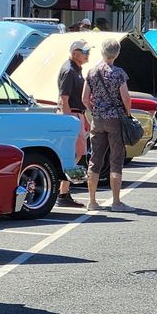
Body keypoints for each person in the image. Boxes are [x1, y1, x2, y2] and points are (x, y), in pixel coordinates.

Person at [81, 38, 135, 212]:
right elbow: (126, 97)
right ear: (117, 53)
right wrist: (127, 113)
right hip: (114, 118)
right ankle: (116, 202)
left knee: (95, 158)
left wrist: (95, 110)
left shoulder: (92, 72)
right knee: (116, 159)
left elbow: (84, 98)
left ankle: (92, 201)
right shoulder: (118, 73)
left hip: (98, 118)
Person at [56, 39, 91, 207]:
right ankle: (62, 191)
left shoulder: (76, 69)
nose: (87, 54)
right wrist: (69, 121)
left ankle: (63, 190)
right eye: (84, 51)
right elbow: (64, 99)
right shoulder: (69, 71)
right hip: (72, 116)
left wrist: (84, 120)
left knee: (78, 152)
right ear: (74, 53)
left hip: (78, 115)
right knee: (74, 152)